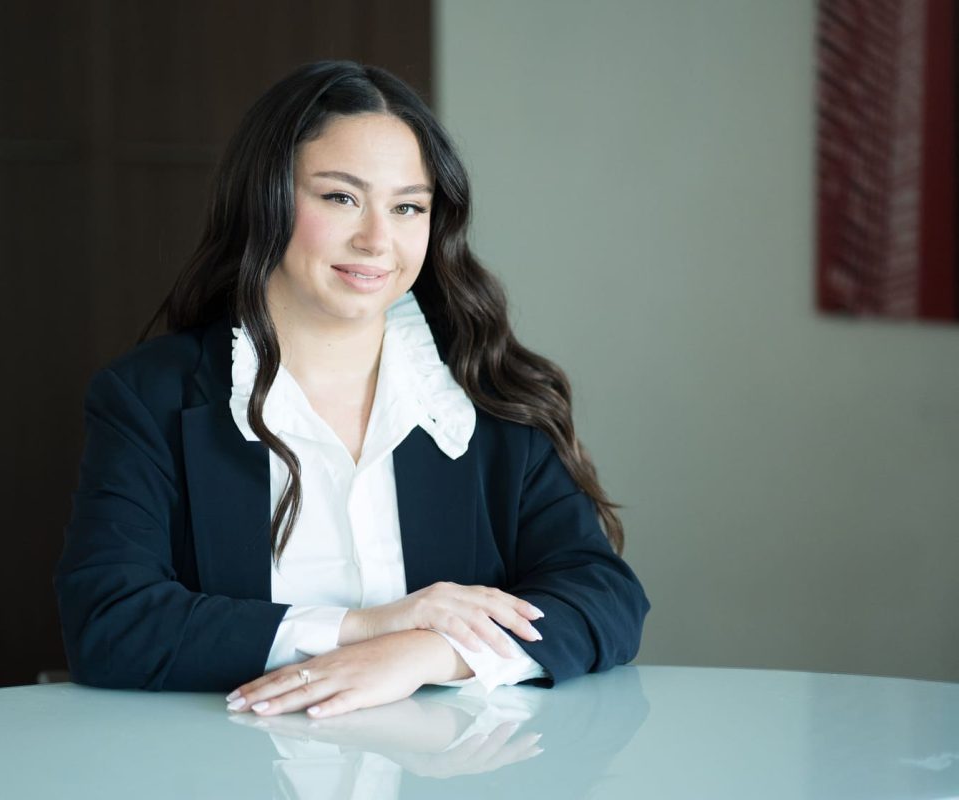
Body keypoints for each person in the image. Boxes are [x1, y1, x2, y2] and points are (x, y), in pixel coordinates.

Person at [53, 60, 649, 720]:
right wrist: (362, 629)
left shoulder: (486, 390)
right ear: (265, 198)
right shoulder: (151, 397)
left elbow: (604, 597)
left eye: (407, 207)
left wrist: (425, 652)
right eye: (341, 198)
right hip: (228, 761)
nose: (376, 240)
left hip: (451, 765)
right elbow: (109, 620)